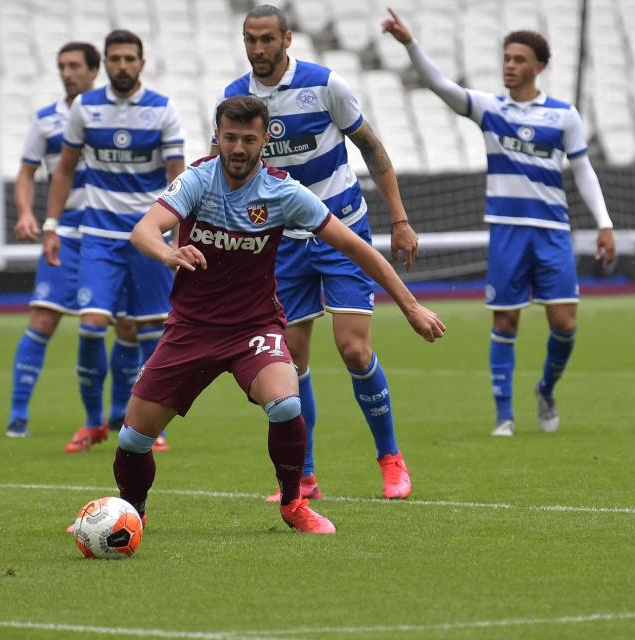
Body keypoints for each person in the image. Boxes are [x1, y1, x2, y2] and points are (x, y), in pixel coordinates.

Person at [115, 96, 445, 535]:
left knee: (286, 402)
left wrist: (410, 305)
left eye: (247, 139)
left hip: (253, 328)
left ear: (263, 141)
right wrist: (170, 252)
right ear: (216, 136)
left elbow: (354, 247)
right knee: (133, 438)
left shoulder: (284, 192)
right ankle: (130, 511)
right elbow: (143, 231)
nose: (237, 148)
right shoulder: (197, 179)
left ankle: (294, 503)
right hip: (190, 329)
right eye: (229, 138)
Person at [212, 5, 421, 501]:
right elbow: (231, 171)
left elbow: (370, 146)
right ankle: (305, 477)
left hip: (340, 228)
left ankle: (390, 458)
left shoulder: (325, 84)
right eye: (250, 39)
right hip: (282, 242)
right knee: (293, 362)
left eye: (267, 39)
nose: (258, 49)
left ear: (287, 40)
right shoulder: (235, 98)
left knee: (353, 348)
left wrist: (399, 218)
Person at [382, 9, 616, 436]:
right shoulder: (490, 108)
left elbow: (583, 170)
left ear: (539, 66)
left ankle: (545, 389)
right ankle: (504, 415)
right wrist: (410, 45)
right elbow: (441, 87)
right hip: (507, 229)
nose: (509, 65)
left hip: (552, 232)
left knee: (564, 324)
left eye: (519, 59)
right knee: (505, 321)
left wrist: (604, 222)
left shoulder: (563, 115)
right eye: (506, 57)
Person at [43, 29, 185, 453]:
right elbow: (65, 169)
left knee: (149, 335)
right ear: (105, 63)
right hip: (99, 236)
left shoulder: (163, 109)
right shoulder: (86, 107)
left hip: (148, 237)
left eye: (129, 58)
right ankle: (92, 423)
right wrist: (51, 224)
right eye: (115, 58)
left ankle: (148, 426)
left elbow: (178, 179)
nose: (122, 65)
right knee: (90, 327)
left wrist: (176, 238)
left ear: (142, 63)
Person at [6, 41, 141, 439]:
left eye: (74, 66)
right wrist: (29, 213)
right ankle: (17, 415)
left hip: (109, 232)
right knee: (44, 318)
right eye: (61, 66)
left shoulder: (112, 114)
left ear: (94, 70)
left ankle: (117, 413)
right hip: (67, 234)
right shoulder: (46, 119)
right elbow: (27, 171)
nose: (67, 73)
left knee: (126, 325)